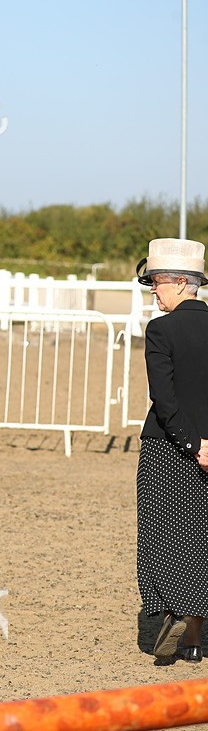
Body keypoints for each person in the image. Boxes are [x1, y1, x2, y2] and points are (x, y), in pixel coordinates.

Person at [135, 237, 208, 664]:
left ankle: (170, 609)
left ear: (182, 282)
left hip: (168, 448)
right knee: (201, 537)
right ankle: (195, 636)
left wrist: (191, 443)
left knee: (161, 534)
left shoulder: (161, 329)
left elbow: (164, 398)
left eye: (158, 283)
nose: (154, 291)